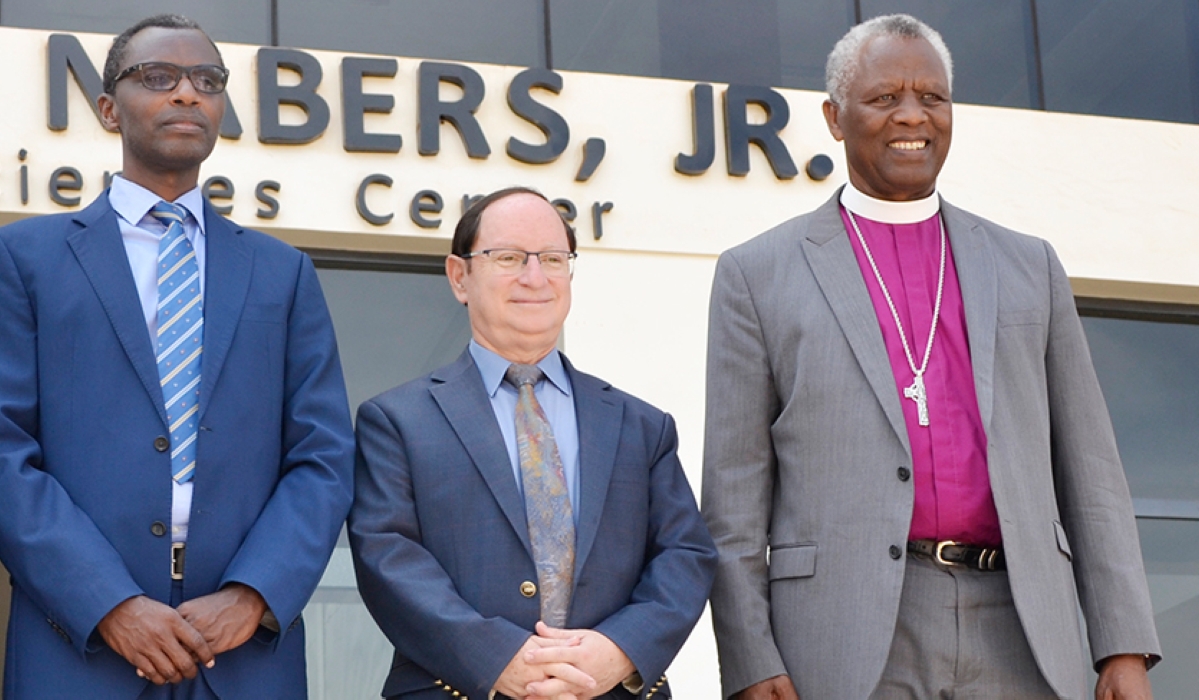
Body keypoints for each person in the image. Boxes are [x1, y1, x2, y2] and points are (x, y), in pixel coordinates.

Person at [702, 13, 1160, 700]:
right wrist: (748, 657)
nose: (910, 116)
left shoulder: (1028, 265)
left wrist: (1120, 642)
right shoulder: (756, 273)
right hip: (844, 633)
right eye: (883, 98)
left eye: (931, 97)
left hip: (1021, 624)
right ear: (833, 117)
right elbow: (732, 496)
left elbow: (1090, 471)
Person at [0, 15, 354, 699]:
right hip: (80, 650)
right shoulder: (25, 260)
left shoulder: (282, 273)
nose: (187, 94)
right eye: (158, 78)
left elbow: (323, 456)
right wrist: (107, 602)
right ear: (109, 109)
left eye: (207, 81)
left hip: (244, 654)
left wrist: (254, 594)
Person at [349, 187, 716, 700]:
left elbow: (684, 554)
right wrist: (499, 658)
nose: (535, 277)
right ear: (460, 277)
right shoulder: (397, 420)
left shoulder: (641, 425)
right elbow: (388, 557)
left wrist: (619, 649)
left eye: (553, 259)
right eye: (509, 258)